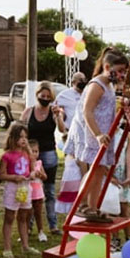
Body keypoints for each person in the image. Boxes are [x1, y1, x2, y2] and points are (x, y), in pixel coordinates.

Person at [66, 47, 130, 222]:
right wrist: (97, 135)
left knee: (100, 170)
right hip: (91, 133)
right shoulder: (97, 84)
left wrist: (121, 101)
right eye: (119, 71)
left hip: (103, 133)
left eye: (124, 71)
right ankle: (81, 204)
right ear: (107, 67)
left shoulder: (109, 85)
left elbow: (107, 105)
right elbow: (87, 111)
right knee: (94, 169)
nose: (122, 74)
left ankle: (93, 208)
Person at [21, 82, 66, 234]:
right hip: (30, 154)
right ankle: (29, 225)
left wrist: (58, 116)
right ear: (37, 95)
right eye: (43, 96)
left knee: (49, 192)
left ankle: (53, 225)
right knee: (31, 190)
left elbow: (62, 129)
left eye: (48, 96)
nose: (45, 98)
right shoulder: (28, 112)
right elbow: (20, 130)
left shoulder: (53, 112)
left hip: (48, 154)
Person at [0, 123, 39, 258]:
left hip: (25, 187)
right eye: (20, 137)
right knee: (9, 217)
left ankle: (25, 246)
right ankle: (7, 247)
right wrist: (14, 177)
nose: (23, 140)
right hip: (13, 187)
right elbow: (1, 175)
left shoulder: (27, 154)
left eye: (25, 137)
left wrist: (33, 173)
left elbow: (33, 168)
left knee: (24, 217)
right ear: (13, 138)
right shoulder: (7, 155)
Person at [54, 72, 88, 217]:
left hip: (88, 136)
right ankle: (71, 206)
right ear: (73, 81)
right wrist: (58, 116)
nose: (83, 82)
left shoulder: (89, 93)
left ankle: (86, 201)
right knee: (73, 171)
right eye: (80, 80)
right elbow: (60, 118)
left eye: (84, 80)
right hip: (71, 136)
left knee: (86, 171)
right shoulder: (64, 96)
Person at [110, 128, 130, 241]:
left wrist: (129, 176)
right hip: (108, 177)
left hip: (123, 176)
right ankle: (115, 240)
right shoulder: (104, 132)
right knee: (112, 210)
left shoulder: (127, 135)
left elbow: (128, 156)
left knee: (124, 209)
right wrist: (110, 177)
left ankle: (129, 239)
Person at [27, 139, 49, 242]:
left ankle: (41, 231)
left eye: (36, 151)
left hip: (38, 192)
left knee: (38, 213)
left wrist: (41, 175)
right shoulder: (25, 164)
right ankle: (26, 230)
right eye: (32, 151)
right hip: (28, 192)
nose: (35, 153)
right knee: (27, 213)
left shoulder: (39, 163)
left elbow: (45, 177)